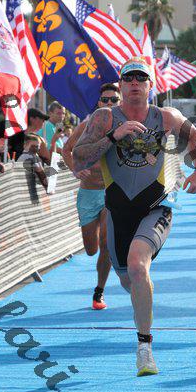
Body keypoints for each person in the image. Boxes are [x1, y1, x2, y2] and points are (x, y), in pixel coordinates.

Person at [72, 57, 196, 376]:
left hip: (156, 205)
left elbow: (195, 138)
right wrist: (114, 136)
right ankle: (144, 299)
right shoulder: (105, 118)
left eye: (140, 78)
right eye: (128, 78)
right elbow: (79, 157)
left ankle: (145, 349)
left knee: (137, 265)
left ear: (150, 86)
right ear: (120, 85)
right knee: (128, 278)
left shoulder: (166, 117)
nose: (134, 83)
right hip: (118, 210)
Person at [63, 83, 121, 310]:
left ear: (120, 102)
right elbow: (66, 149)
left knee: (107, 243)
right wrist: (75, 170)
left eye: (114, 100)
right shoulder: (87, 126)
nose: (109, 103)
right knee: (91, 249)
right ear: (98, 103)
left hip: (111, 192)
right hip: (88, 192)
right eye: (105, 100)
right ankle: (94, 248)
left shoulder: (124, 127)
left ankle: (99, 291)